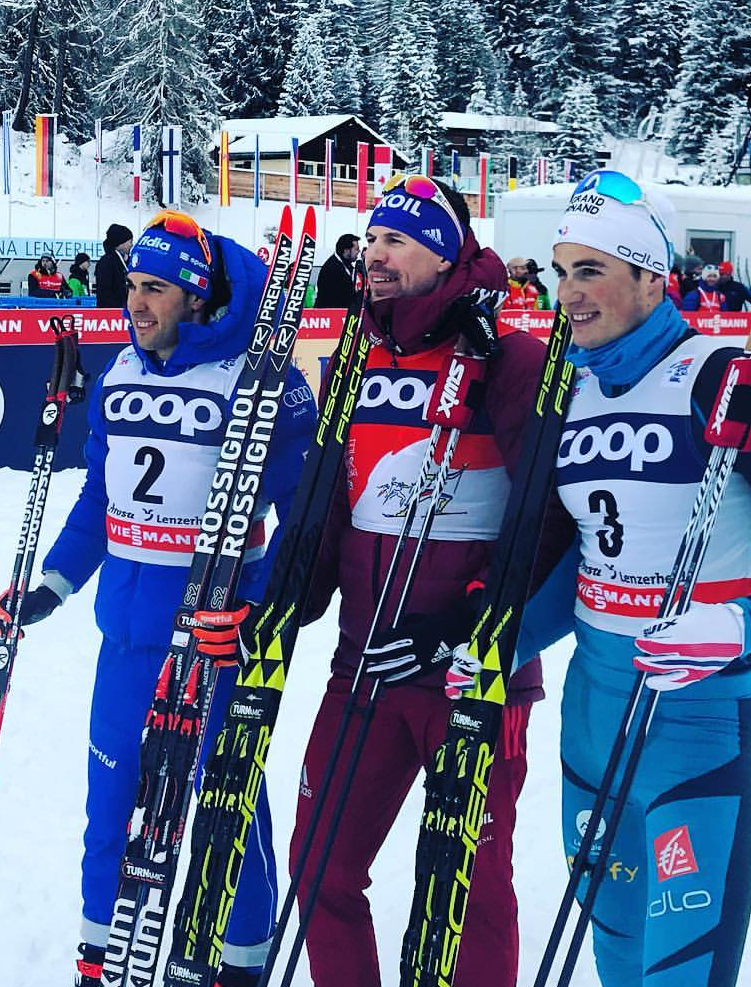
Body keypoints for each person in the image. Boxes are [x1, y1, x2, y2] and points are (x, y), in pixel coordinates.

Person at [446, 169, 751, 987]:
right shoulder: (574, 392)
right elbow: (589, 570)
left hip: (698, 718)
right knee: (617, 959)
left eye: (591, 270)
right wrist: (505, 645)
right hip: (594, 718)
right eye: (561, 270)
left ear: (650, 276)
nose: (568, 293)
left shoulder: (727, 377)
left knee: (679, 972)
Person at [192, 175, 549, 987]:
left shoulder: (511, 358)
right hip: (363, 669)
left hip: (473, 677)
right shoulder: (354, 356)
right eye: (373, 239)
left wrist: (467, 624)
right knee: (320, 869)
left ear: (444, 251)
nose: (375, 255)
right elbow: (322, 514)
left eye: (396, 240)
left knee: (472, 891)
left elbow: (545, 527)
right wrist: (273, 608)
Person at [0, 212, 317, 987]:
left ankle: (241, 962)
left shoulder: (257, 380)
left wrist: (257, 604)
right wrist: (50, 588)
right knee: (107, 810)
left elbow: (307, 519)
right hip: (125, 641)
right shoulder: (122, 374)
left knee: (226, 812)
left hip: (211, 639)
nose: (136, 304)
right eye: (132, 286)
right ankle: (98, 957)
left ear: (196, 296)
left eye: (156, 289)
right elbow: (98, 505)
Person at [314, 233, 361, 308]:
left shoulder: (346, 264)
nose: (359, 251)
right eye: (356, 249)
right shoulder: (332, 268)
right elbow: (338, 297)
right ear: (346, 251)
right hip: (330, 313)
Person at [95, 223, 133, 308]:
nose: (131, 245)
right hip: (111, 314)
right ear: (121, 243)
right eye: (130, 242)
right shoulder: (107, 262)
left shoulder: (124, 261)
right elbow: (104, 292)